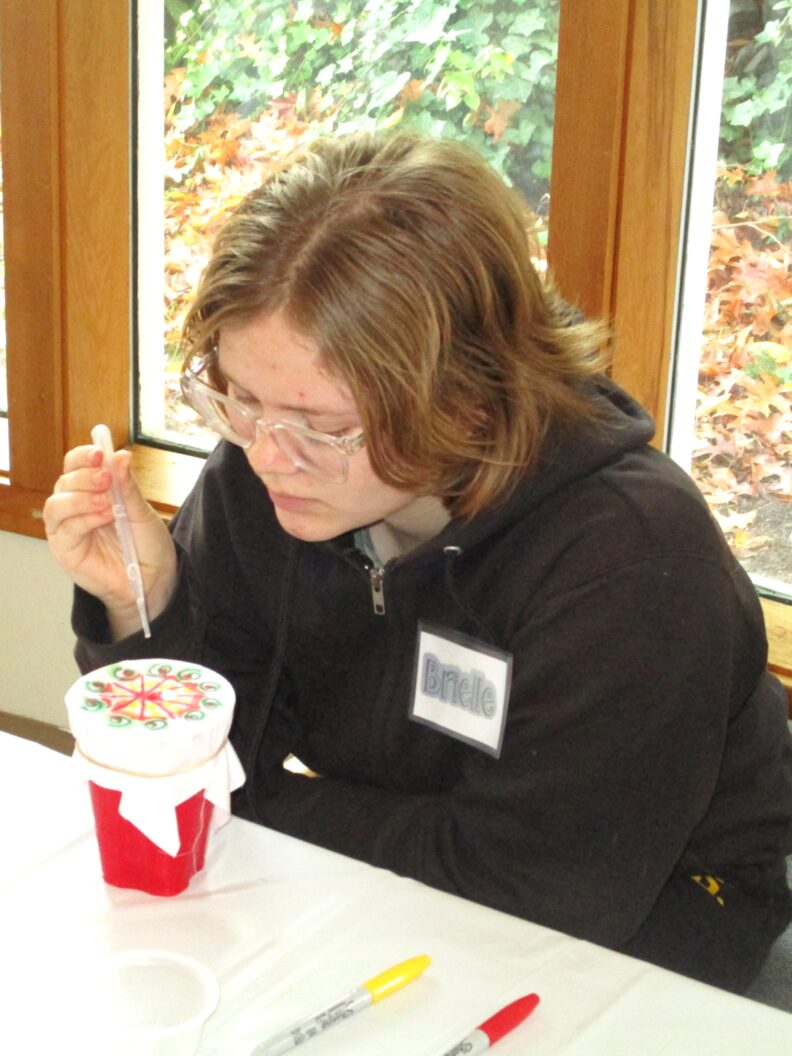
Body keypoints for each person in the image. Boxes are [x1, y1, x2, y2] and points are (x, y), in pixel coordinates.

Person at [44, 130, 792, 993]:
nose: (266, 455)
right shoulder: (268, 473)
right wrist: (150, 602)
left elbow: (536, 893)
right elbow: (200, 774)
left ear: (467, 394)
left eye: (322, 425)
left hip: (659, 930)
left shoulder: (632, 565)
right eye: (240, 398)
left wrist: (258, 803)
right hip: (403, 887)